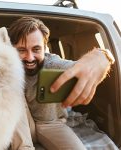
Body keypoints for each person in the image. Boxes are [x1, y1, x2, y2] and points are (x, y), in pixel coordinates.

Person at [8, 17, 118, 150]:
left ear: (45, 49)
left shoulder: (52, 64)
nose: (30, 57)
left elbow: (83, 67)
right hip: (17, 125)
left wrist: (102, 57)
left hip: (49, 124)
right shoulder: (3, 65)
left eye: (36, 49)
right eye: (22, 50)